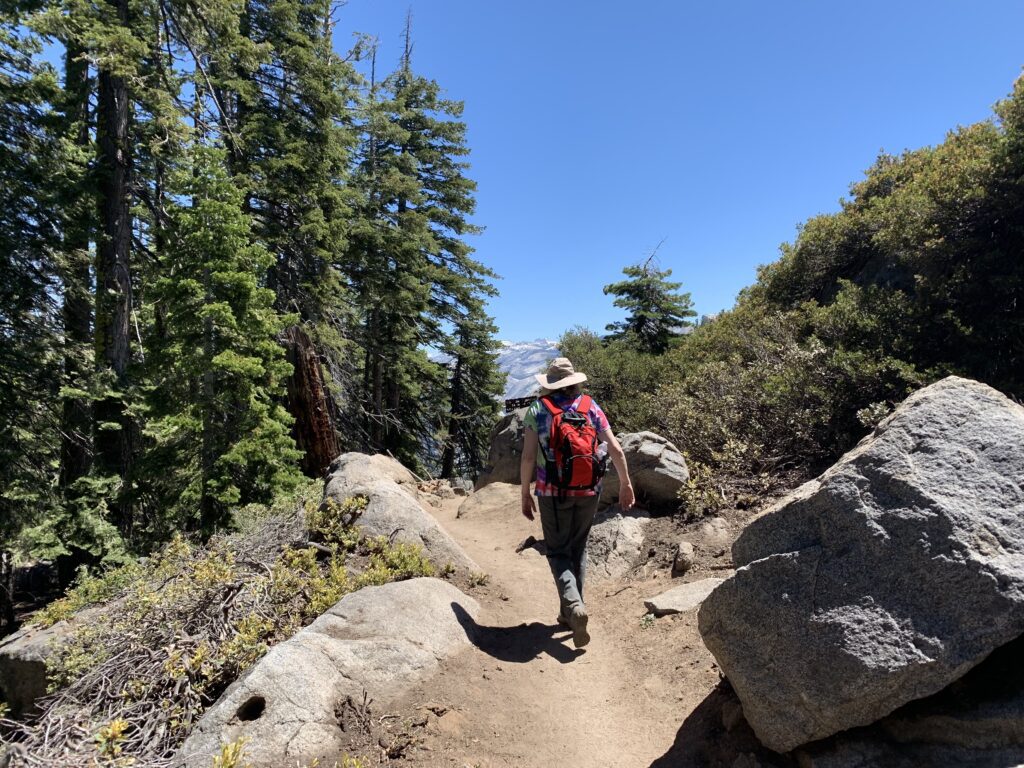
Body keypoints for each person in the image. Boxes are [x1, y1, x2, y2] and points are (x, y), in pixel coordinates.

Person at [519, 357, 635, 649]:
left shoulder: (538, 410)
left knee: (557, 551)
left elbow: (529, 457)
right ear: (575, 382)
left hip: (551, 492)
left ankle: (573, 604)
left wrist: (524, 492)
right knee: (578, 548)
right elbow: (617, 449)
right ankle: (569, 613)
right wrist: (625, 483)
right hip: (588, 489)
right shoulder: (590, 406)